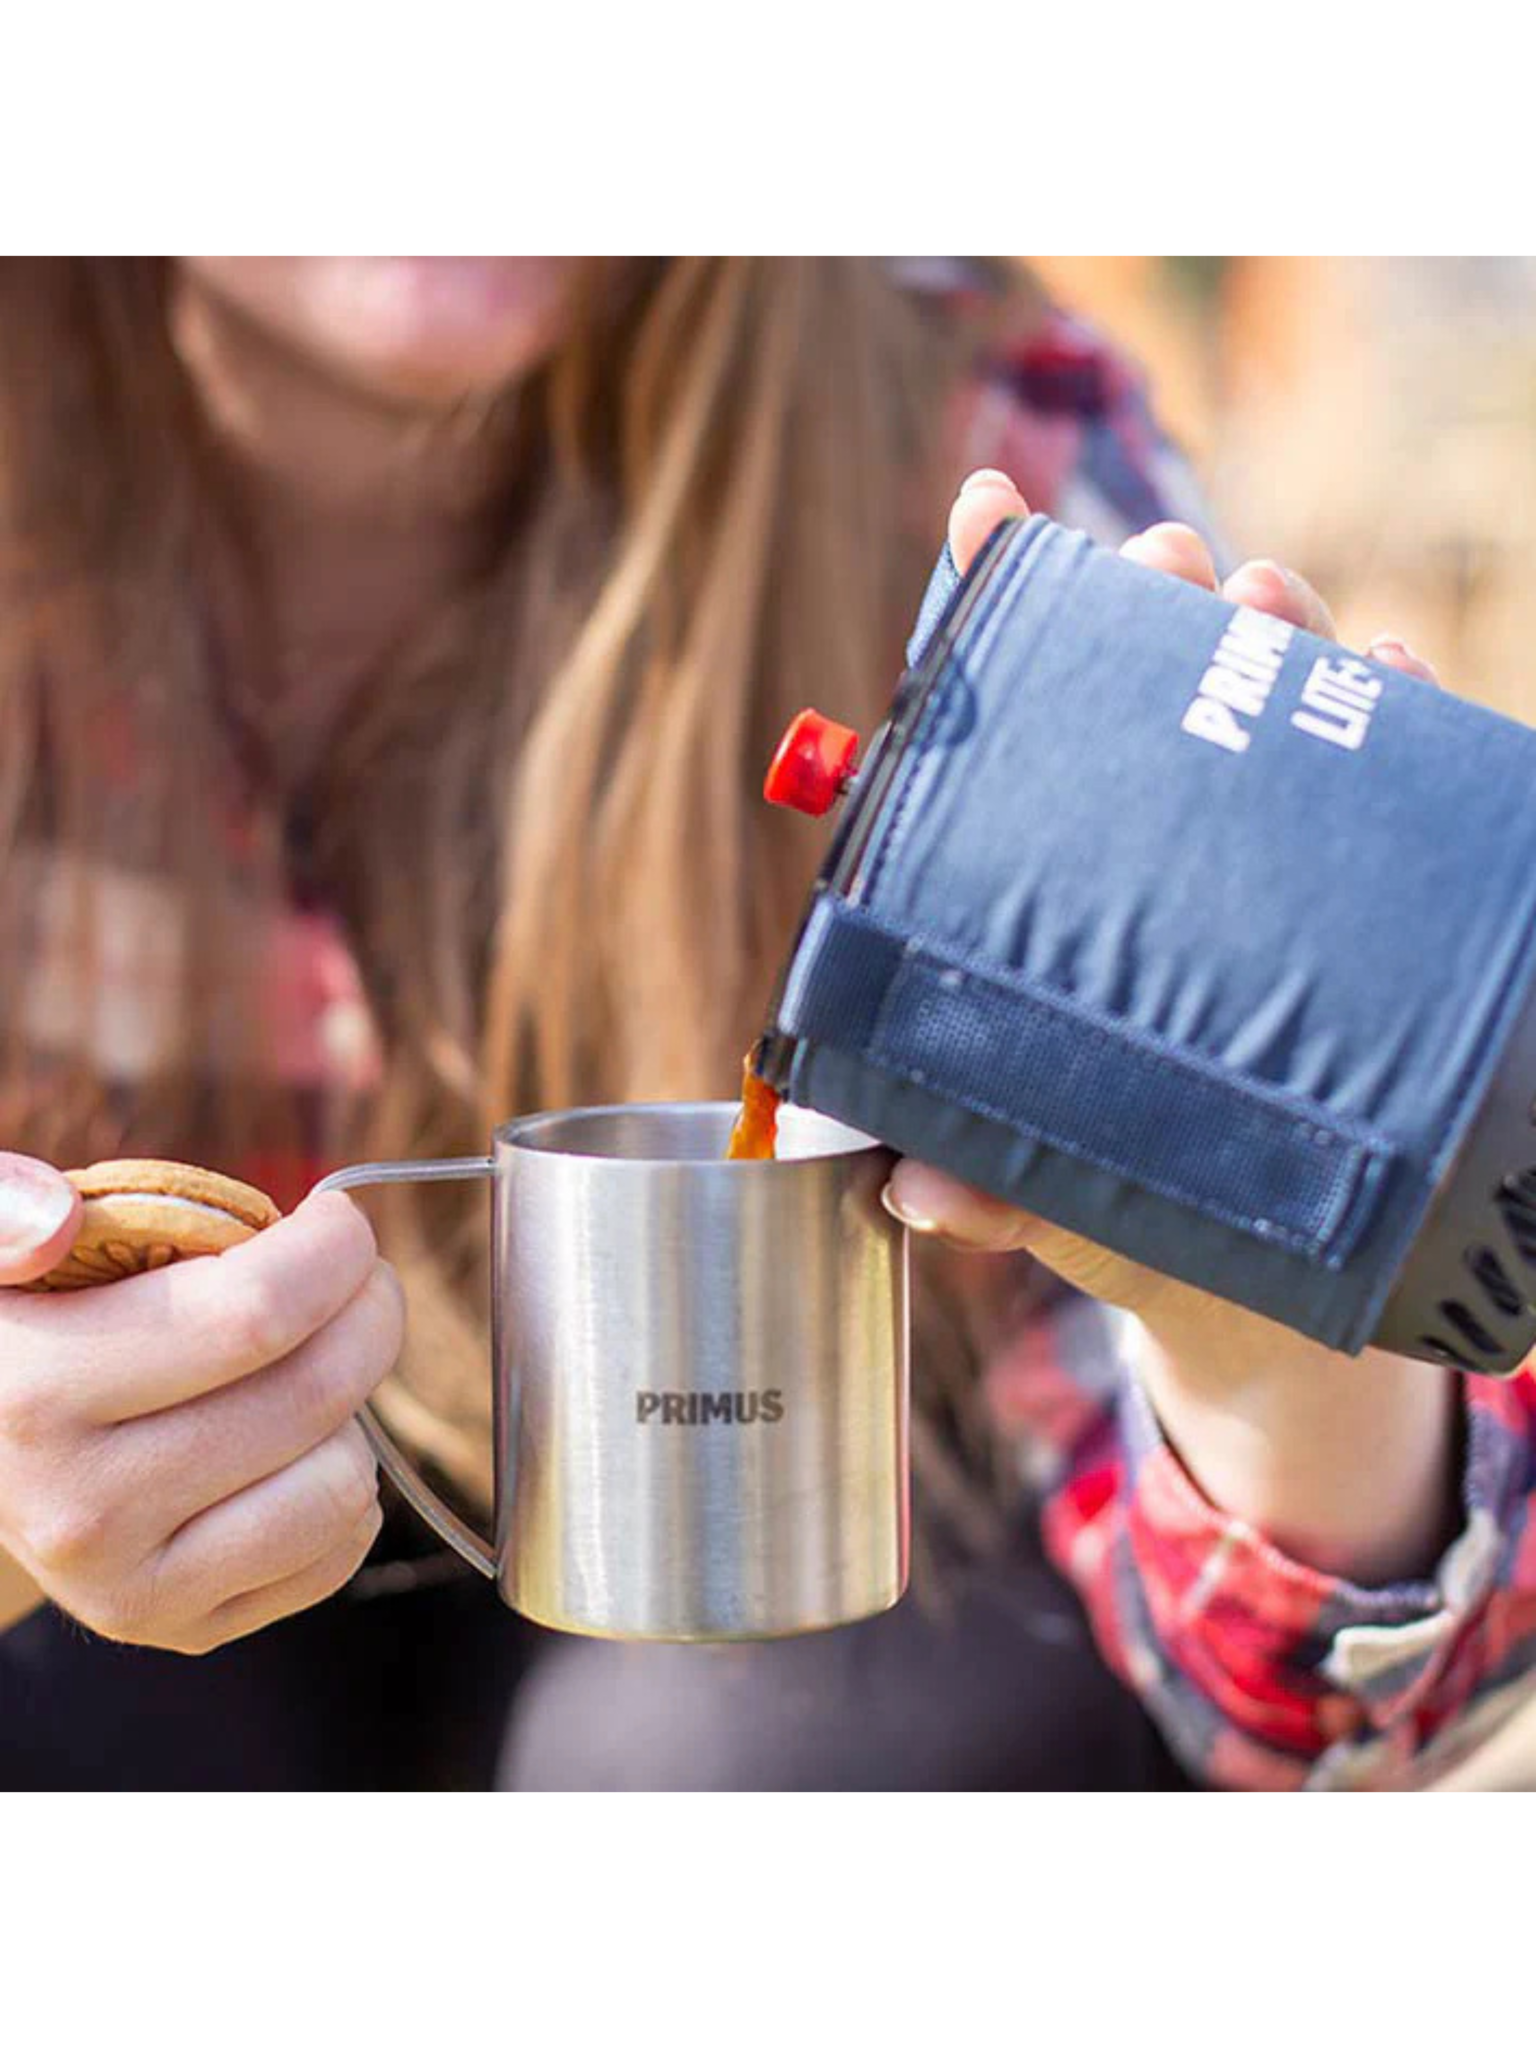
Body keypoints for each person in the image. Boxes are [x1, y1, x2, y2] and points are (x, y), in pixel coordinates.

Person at [0, 254, 1531, 1795]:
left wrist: (1265, 1334)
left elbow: (1325, 1726)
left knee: (778, 1737)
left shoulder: (968, 431)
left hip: (841, 1627)